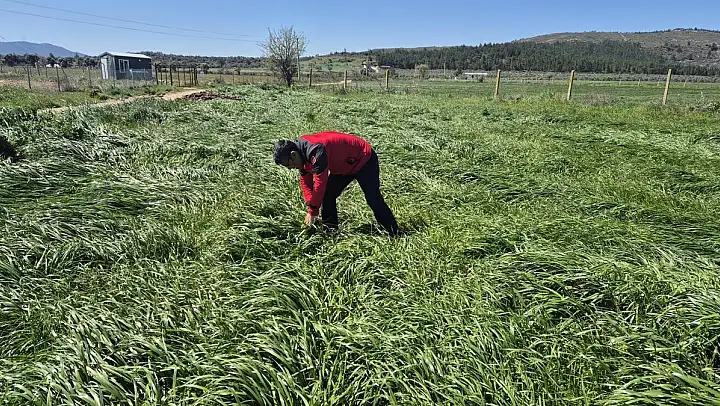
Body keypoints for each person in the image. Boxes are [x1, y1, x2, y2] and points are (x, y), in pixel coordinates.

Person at [273, 131, 399, 235]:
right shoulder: (301, 153)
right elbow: (305, 181)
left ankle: (393, 232)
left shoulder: (315, 150)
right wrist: (310, 204)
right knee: (328, 195)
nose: (290, 168)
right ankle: (330, 232)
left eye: (288, 165)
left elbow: (320, 184)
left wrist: (313, 211)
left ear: (293, 155)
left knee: (373, 198)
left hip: (363, 159)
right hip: (344, 167)